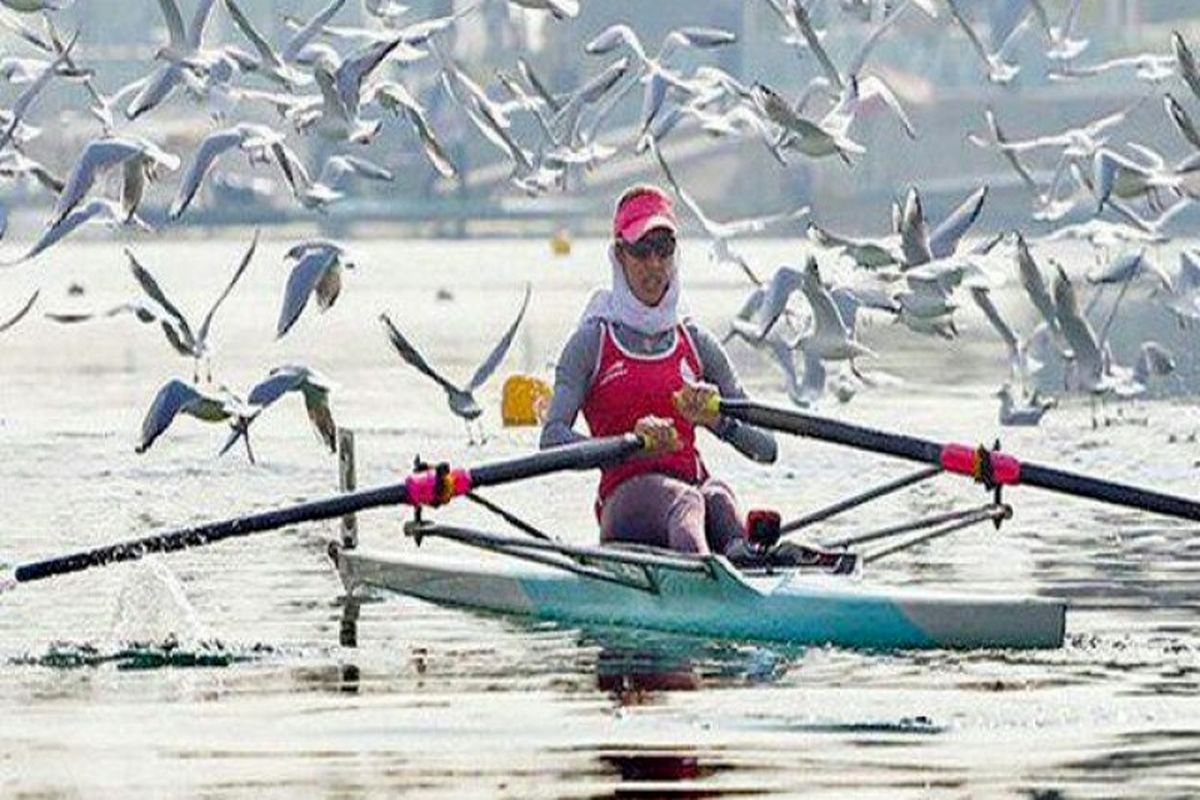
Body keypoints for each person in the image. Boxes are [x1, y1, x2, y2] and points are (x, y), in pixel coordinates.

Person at [539, 184, 782, 563]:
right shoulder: (591, 342)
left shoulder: (697, 343)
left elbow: (768, 449)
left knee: (716, 495)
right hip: (625, 504)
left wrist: (720, 422)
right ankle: (708, 576)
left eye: (664, 249)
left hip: (694, 499)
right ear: (620, 255)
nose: (655, 264)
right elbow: (551, 439)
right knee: (688, 499)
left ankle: (741, 558)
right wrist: (628, 444)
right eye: (642, 250)